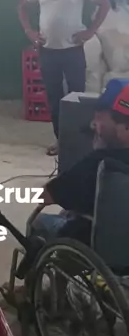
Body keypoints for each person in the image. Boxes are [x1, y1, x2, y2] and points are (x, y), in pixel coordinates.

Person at [18, 0, 110, 155]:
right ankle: (61, 140)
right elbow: (22, 6)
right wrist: (29, 31)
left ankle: (81, 141)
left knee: (77, 96)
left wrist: (90, 31)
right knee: (53, 97)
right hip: (47, 51)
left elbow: (104, 3)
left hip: (72, 50)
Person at [31, 79, 129, 246]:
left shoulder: (100, 164)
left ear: (124, 127)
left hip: (99, 248)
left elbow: (44, 196)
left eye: (99, 118)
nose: (93, 124)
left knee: (39, 222)